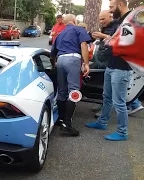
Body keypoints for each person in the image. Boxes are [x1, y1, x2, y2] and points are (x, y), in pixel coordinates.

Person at [85, 0, 134, 141]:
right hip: (111, 66)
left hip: (122, 68)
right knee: (106, 97)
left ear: (120, 4)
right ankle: (102, 122)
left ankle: (122, 132)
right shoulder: (120, 21)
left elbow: (126, 42)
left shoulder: (131, 20)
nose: (110, 11)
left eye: (111, 7)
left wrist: (105, 37)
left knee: (119, 102)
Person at [91, 10, 144, 118]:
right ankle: (103, 116)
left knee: (118, 100)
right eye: (100, 19)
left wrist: (103, 36)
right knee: (108, 94)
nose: (101, 21)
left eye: (103, 19)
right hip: (111, 63)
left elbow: (117, 41)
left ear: (110, 16)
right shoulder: (108, 26)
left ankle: (122, 130)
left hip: (119, 66)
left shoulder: (119, 25)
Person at [51, 14, 91, 136]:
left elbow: (53, 53)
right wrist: (86, 64)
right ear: (74, 21)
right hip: (73, 59)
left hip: (60, 60)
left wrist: (54, 65)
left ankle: (61, 119)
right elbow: (84, 45)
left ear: (64, 22)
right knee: (74, 91)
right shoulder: (79, 29)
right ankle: (67, 125)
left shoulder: (60, 34)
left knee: (62, 91)